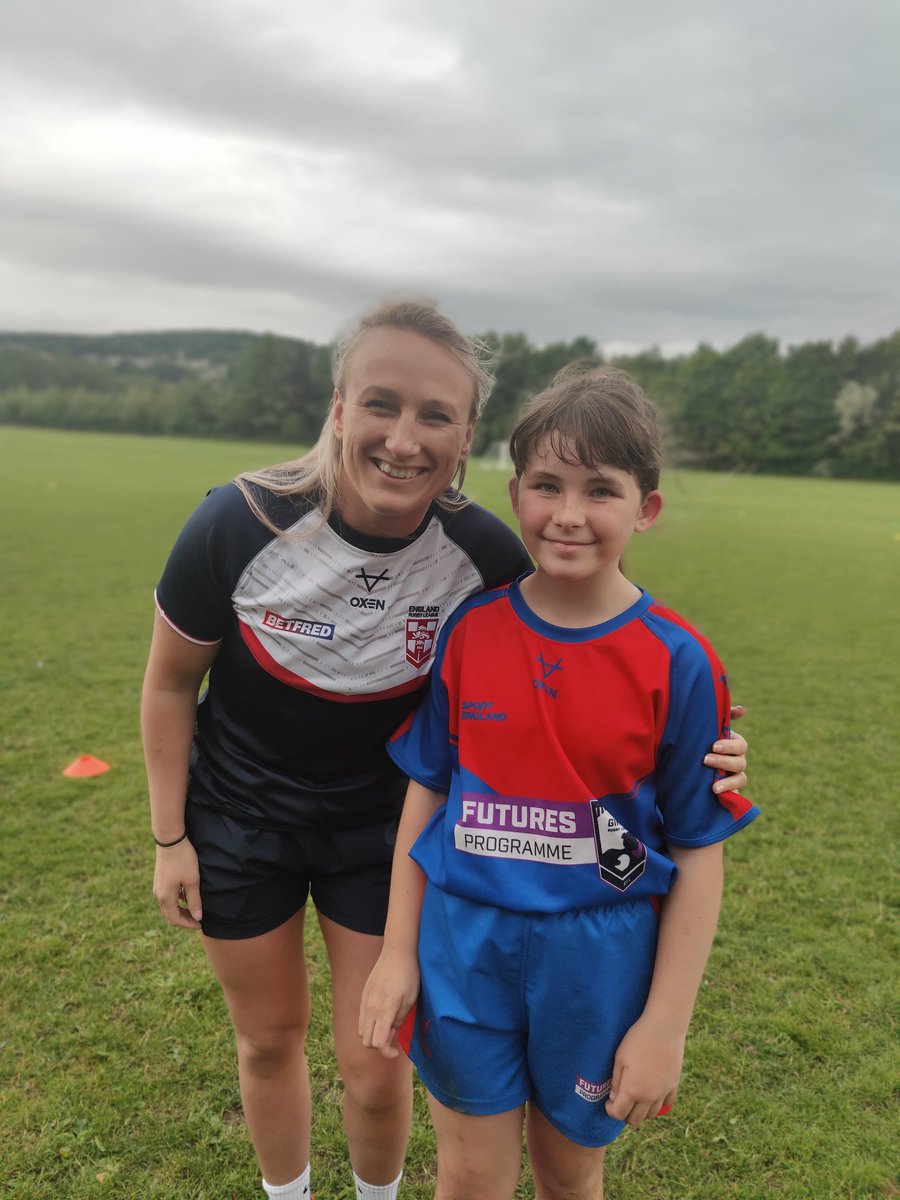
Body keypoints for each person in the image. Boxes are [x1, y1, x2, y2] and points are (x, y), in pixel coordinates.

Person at [141, 305, 749, 1200]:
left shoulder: (485, 555)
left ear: (466, 439)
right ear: (340, 406)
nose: (403, 437)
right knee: (268, 1038)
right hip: (241, 818)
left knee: (377, 1058)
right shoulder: (236, 525)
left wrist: (711, 743)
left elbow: (589, 631)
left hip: (382, 831)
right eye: (380, 403)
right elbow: (166, 686)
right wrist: (169, 838)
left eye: (435, 415)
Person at [360, 364, 760, 1200]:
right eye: (547, 485)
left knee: (569, 1174)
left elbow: (699, 852)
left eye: (600, 490)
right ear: (516, 494)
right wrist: (399, 950)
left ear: (645, 508)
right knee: (469, 1175)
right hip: (464, 946)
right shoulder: (473, 631)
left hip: (598, 958)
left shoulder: (679, 660)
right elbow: (426, 792)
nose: (568, 515)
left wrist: (665, 1027)